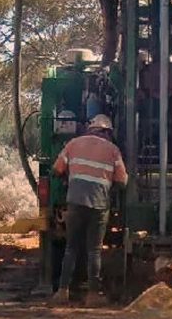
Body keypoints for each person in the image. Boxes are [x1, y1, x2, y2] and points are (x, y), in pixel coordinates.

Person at [51, 114, 128, 306]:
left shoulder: (73, 144)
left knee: (71, 248)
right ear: (107, 132)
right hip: (99, 205)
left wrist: (70, 177)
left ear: (91, 129)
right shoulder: (113, 150)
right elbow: (122, 181)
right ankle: (93, 295)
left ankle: (62, 292)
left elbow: (56, 170)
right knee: (94, 250)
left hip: (75, 203)